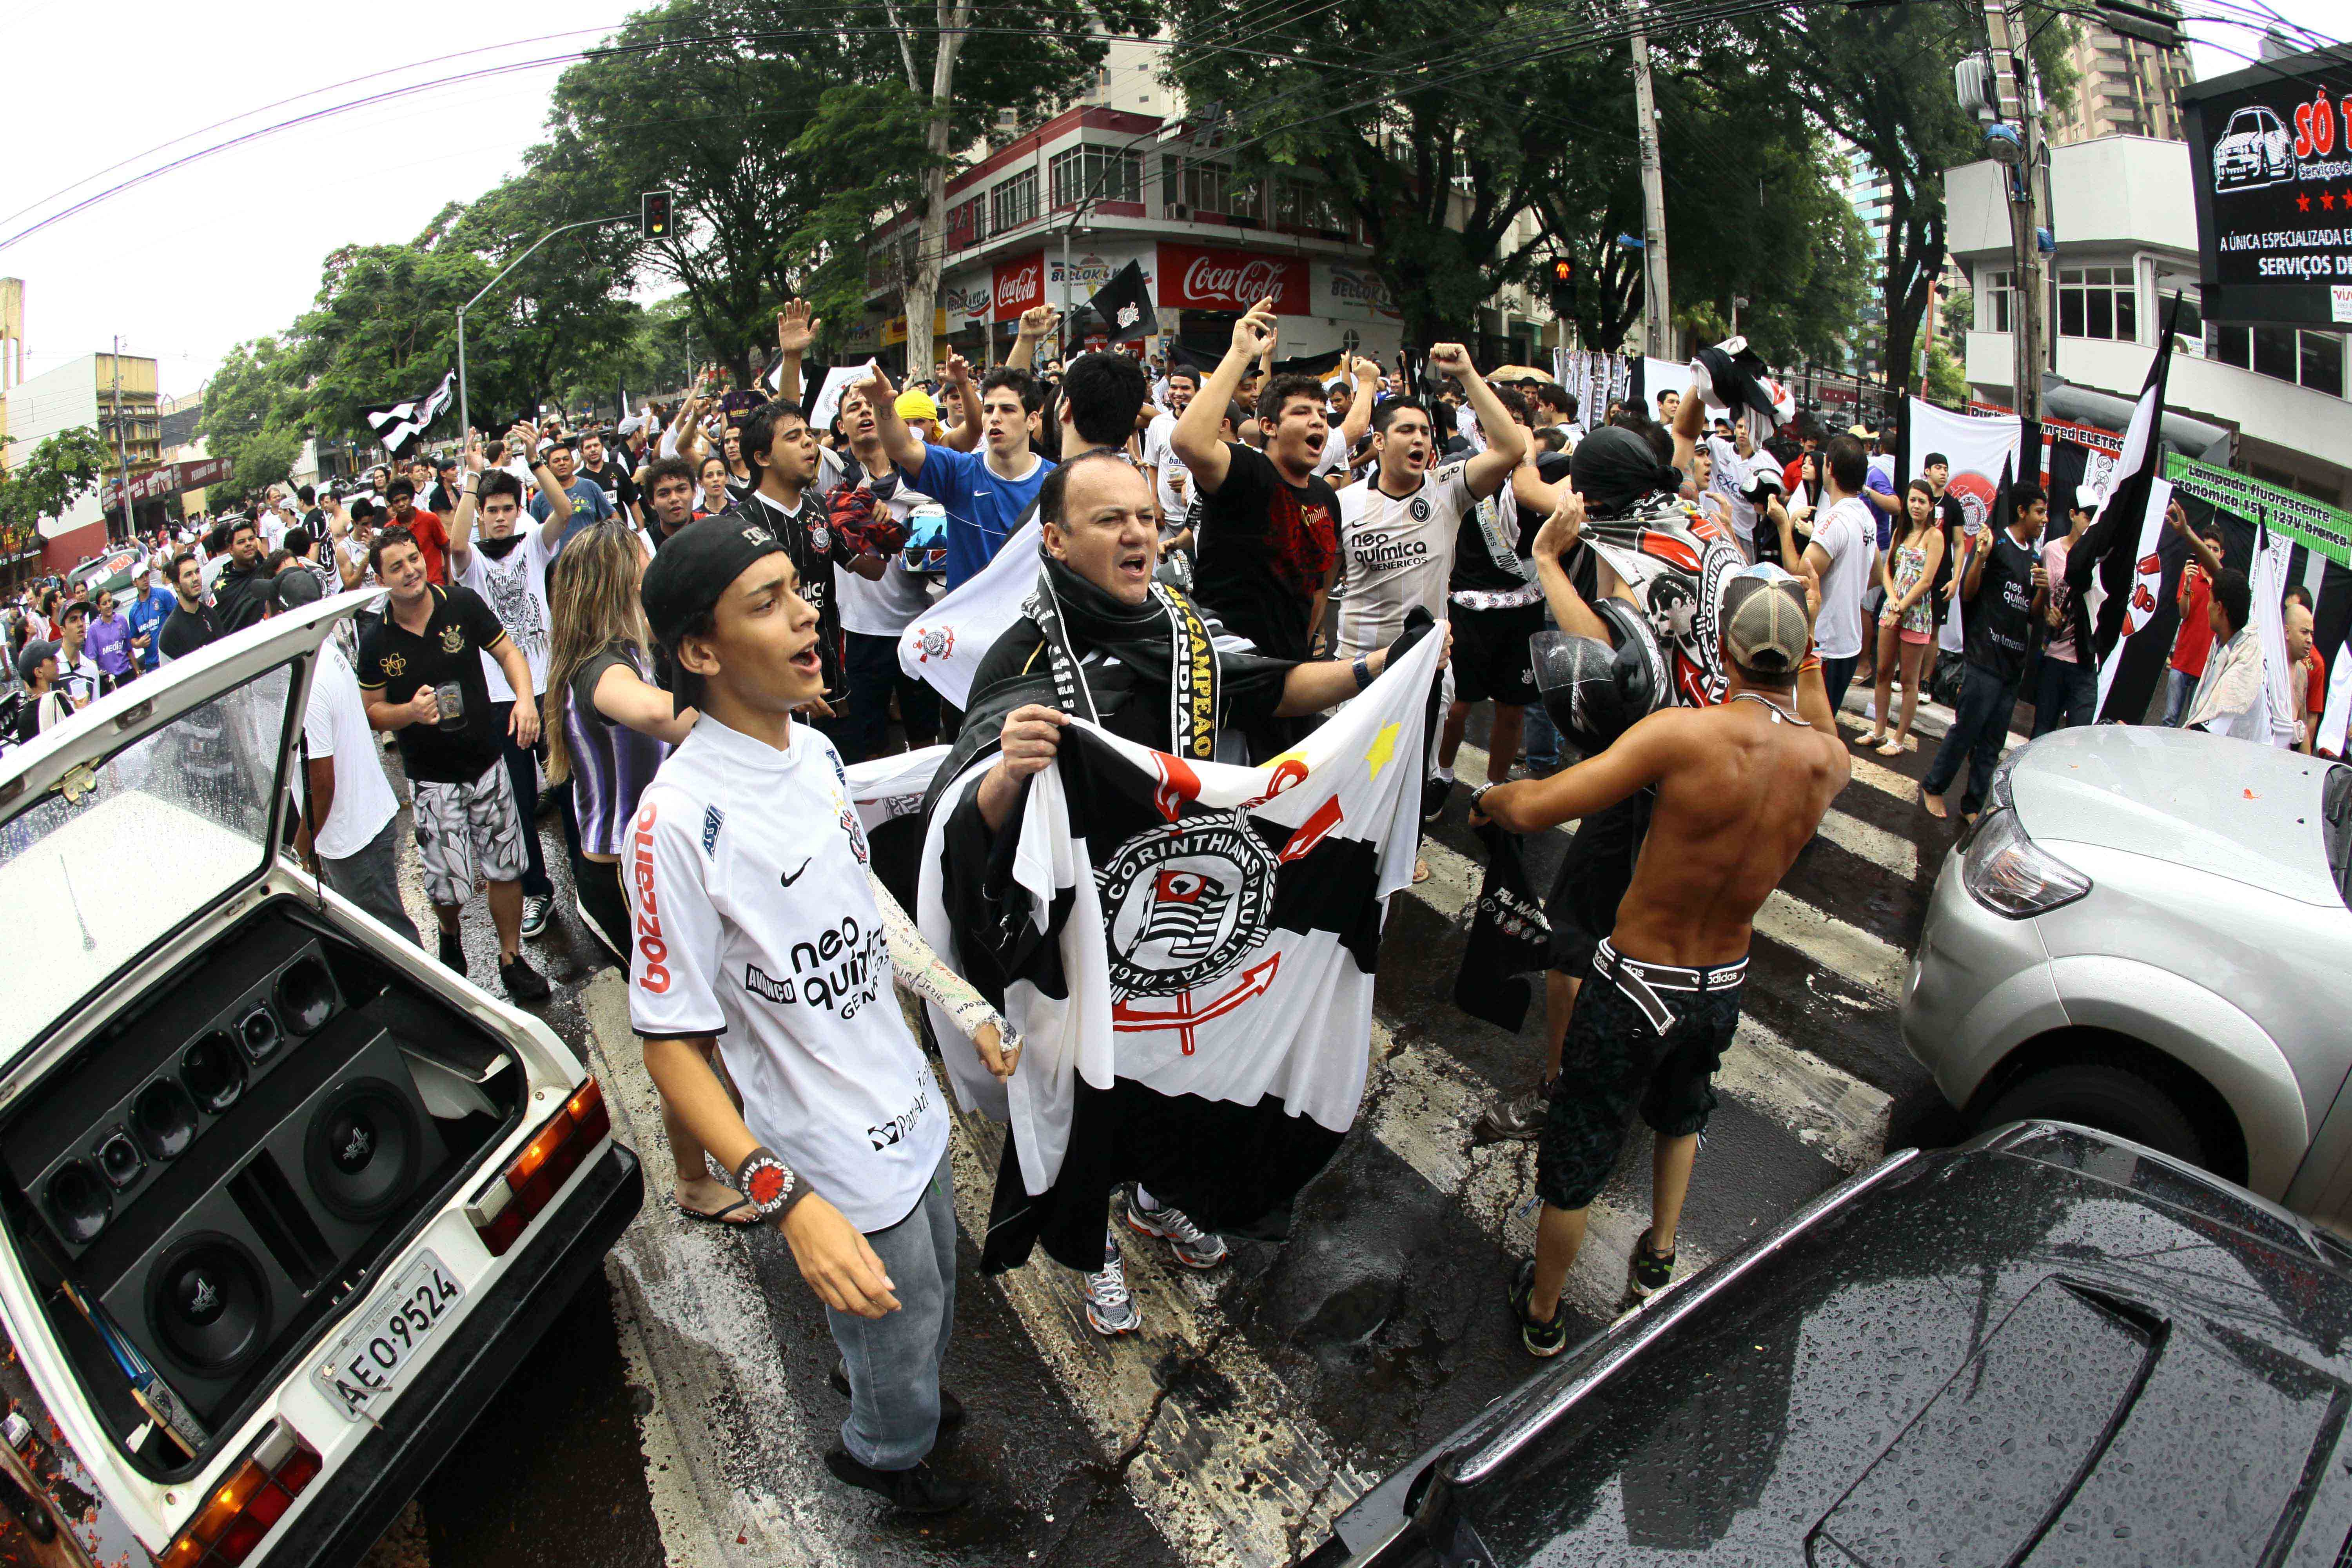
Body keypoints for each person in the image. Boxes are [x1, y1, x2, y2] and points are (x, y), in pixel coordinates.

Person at [932, 450, 1448, 1335]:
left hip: (1187, 911)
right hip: (1083, 932)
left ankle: (1159, 1197)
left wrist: (1377, 671)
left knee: (1172, 1073)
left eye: (1143, 515)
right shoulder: (1024, 656)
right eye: (1109, 520)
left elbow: (1273, 683)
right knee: (1085, 1086)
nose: (1137, 533)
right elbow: (965, 815)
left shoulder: (1182, 623)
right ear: (1054, 541)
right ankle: (1089, 1246)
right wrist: (1006, 775)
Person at [627, 519, 975, 1513]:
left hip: (911, 1107)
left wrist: (962, 1005)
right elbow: (670, 1047)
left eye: (799, 589)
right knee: (898, 1333)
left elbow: (864, 907)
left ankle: (887, 1389)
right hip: (832, 1157)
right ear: (700, 652)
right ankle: (882, 1453)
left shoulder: (819, 750)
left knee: (929, 1306)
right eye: (768, 602)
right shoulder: (674, 826)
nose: (807, 612)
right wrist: (789, 1199)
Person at [1473, 566, 1847, 1352]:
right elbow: (1819, 719)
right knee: (1684, 1108)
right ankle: (1659, 1256)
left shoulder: (1685, 733)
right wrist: (1808, 649)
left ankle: (1543, 1311)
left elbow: (1542, 804)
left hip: (1636, 982)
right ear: (1805, 655)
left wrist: (1494, 799)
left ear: (1724, 651)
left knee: (1580, 1143)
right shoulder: (1826, 763)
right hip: (1719, 984)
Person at [541, 523, 753, 1225]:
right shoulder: (603, 669)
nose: (656, 570)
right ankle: (694, 1182)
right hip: (625, 885)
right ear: (617, 579)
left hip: (663, 867)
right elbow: (657, 716)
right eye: (644, 562)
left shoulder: (630, 650)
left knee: (714, 1019)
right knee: (684, 1037)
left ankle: (743, 1146)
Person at [356, 526, 551, 1001]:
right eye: (396, 567)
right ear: (381, 579)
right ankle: (450, 936)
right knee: (448, 888)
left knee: (505, 868)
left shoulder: (460, 603)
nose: (410, 572)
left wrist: (525, 700)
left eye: (413, 560)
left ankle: (510, 958)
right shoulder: (375, 638)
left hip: (487, 763)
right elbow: (372, 709)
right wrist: (408, 714)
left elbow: (509, 653)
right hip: (431, 779)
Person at [447, 428, 579, 940]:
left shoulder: (535, 546)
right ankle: (537, 891)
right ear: (481, 512)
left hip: (547, 690)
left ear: (518, 509)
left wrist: (535, 459)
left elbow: (564, 512)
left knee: (568, 785)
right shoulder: (473, 562)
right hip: (499, 701)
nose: (500, 516)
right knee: (518, 802)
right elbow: (455, 543)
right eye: (491, 509)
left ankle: (588, 872)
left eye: (507, 508)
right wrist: (472, 476)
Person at [1174, 300, 1341, 680]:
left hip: (1292, 672)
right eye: (1301, 412)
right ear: (1268, 426)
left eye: (1322, 415)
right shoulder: (1248, 471)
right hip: (1228, 672)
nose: (1317, 421)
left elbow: (1320, 583)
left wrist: (1309, 640)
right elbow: (1188, 442)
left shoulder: (1325, 497)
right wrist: (1239, 354)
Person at [731, 399, 888, 726]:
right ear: (762, 458)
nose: (808, 442)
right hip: (771, 694)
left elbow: (874, 571)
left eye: (807, 433)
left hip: (829, 681)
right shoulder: (737, 526)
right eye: (792, 437)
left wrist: (876, 532)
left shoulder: (824, 507)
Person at [298, 577, 422, 947]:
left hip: (353, 837)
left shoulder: (311, 684)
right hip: (364, 820)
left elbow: (322, 782)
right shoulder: (326, 649)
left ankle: (430, 999)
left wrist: (299, 849)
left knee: (389, 940)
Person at [827, 385, 941, 764]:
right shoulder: (833, 480)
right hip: (862, 634)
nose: (862, 413)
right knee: (872, 748)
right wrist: (793, 357)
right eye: (852, 408)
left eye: (869, 406)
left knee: (926, 740)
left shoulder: (918, 473)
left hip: (918, 627)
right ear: (841, 425)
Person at [1922, 480, 2046, 822]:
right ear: (2021, 512)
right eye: (2039, 512)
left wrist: (2043, 592)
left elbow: (2033, 616)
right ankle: (1934, 787)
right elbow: (1968, 592)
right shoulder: (1995, 543)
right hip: (1984, 658)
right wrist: (1980, 558)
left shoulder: (2035, 559)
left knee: (1993, 742)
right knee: (1967, 730)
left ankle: (1973, 804)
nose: (2044, 519)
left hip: (2012, 665)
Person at [874, 359, 1051, 591]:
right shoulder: (959, 471)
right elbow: (903, 449)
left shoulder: (1057, 482)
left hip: (1033, 622)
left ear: (1032, 420)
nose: (995, 418)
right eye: (989, 410)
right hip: (968, 623)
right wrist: (883, 407)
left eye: (1008, 409)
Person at [1780, 434, 1875, 716]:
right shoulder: (1865, 515)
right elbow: (1878, 573)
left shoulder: (1834, 520)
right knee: (1824, 720)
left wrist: (1784, 525)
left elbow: (1800, 576)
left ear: (1829, 468)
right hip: (1848, 641)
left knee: (1808, 726)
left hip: (1826, 645)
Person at [1861, 481, 1946, 755]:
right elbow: (1887, 571)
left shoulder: (1935, 536)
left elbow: (1927, 581)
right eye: (1912, 501)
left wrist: (1902, 606)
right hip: (1893, 608)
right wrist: (1892, 600)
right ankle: (1879, 730)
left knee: (1909, 680)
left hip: (1916, 614)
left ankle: (1898, 739)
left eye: (1922, 501)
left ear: (1931, 505)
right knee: (1883, 670)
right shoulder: (1901, 532)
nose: (1916, 506)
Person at [2030, 493, 2097, 736]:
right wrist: (2048, 614)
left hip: (2085, 662)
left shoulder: (2100, 560)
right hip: (2054, 656)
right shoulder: (2051, 551)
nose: (2090, 524)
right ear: (2073, 515)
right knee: (2042, 731)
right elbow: (2040, 601)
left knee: (2077, 739)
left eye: (2095, 519)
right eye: (2087, 517)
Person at [2165, 520, 2223, 726]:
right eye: (2206, 548)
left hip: (2207, 668)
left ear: (2221, 554)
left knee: (2193, 726)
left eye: (2215, 550)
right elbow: (2184, 613)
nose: (2210, 552)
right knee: (2170, 721)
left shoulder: (2224, 583)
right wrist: (2188, 583)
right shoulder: (2189, 573)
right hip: (2182, 661)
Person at [529, 435, 620, 543]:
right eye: (557, 461)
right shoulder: (539, 500)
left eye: (566, 459)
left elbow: (612, 516)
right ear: (548, 467)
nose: (562, 463)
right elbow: (534, 538)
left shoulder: (591, 487)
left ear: (573, 463)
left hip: (592, 555)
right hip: (560, 559)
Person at [381, 479, 452, 586]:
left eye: (405, 499)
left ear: (412, 498)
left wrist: (451, 584)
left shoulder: (430, 519)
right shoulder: (390, 529)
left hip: (436, 584)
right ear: (392, 505)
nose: (401, 504)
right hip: (410, 588)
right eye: (396, 501)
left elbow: (448, 551)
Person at [210, 517, 274, 633]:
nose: (248, 544)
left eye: (251, 539)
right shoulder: (223, 588)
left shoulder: (270, 569)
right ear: (231, 549)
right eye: (241, 542)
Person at [157, 552, 221, 662]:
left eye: (197, 572)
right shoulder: (170, 633)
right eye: (188, 575)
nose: (195, 578)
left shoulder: (211, 614)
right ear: (177, 585)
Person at [9, 642, 73, 744]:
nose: (58, 660)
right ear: (39, 672)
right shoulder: (57, 702)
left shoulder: (23, 719)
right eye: (52, 658)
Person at [2285, 592, 2325, 753]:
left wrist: (2305, 764)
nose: (2309, 639)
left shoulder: (2304, 671)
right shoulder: (2268, 661)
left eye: (2311, 634)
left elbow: (2304, 724)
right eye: (2304, 632)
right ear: (2287, 632)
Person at [579, 430, 640, 527]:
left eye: (596, 445)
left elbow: (633, 502)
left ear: (602, 447)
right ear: (582, 452)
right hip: (595, 538)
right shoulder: (580, 480)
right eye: (588, 447)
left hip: (621, 533)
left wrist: (641, 532)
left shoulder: (617, 469)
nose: (593, 450)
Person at [124, 565, 173, 673]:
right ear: (134, 582)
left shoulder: (163, 595)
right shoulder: (134, 612)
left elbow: (179, 617)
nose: (145, 579)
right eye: (141, 577)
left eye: (146, 575)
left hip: (171, 656)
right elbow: (132, 638)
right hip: (152, 664)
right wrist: (138, 644)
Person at [84, 591, 134, 690]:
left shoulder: (122, 620)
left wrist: (138, 672)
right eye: (104, 603)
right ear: (98, 607)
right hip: (110, 681)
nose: (108, 605)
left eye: (110, 601)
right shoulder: (93, 630)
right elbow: (92, 659)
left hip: (128, 674)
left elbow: (129, 649)